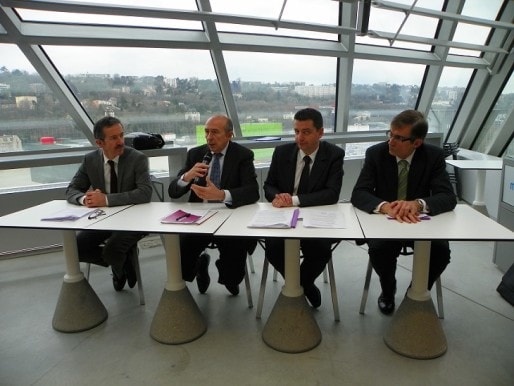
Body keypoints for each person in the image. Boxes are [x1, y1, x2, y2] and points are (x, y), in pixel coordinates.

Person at [351, 109, 457, 315]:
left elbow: (448, 197)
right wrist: (385, 206)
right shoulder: (376, 153)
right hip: (387, 223)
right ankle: (388, 291)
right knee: (379, 249)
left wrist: (417, 204)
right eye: (390, 134)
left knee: (441, 253)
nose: (391, 141)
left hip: (420, 223)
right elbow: (359, 193)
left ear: (417, 142)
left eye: (399, 138)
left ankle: (414, 292)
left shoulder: (433, 156)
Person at [168, 114, 259, 295]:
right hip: (199, 218)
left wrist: (222, 194)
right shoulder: (196, 154)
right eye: (207, 132)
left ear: (229, 135)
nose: (209, 137)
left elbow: (252, 191)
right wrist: (187, 177)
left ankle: (227, 275)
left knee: (233, 262)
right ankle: (199, 267)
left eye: (215, 132)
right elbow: (173, 192)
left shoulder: (242, 155)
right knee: (181, 253)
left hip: (229, 217)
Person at [263, 108, 345, 308]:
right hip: (284, 216)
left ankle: (298, 285)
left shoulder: (334, 154)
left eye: (306, 132)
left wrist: (294, 200)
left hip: (316, 216)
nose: (300, 137)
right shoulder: (282, 152)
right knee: (273, 249)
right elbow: (268, 185)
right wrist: (278, 197)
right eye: (296, 131)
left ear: (320, 132)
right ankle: (305, 285)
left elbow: (332, 193)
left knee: (320, 250)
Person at [66, 116, 152, 291]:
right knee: (75, 249)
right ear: (99, 143)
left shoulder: (138, 158)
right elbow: (72, 189)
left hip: (135, 219)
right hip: (104, 219)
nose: (121, 141)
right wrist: (86, 199)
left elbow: (145, 193)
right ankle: (123, 262)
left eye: (121, 135)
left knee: (112, 249)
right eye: (114, 138)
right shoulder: (90, 160)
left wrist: (105, 199)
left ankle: (118, 264)